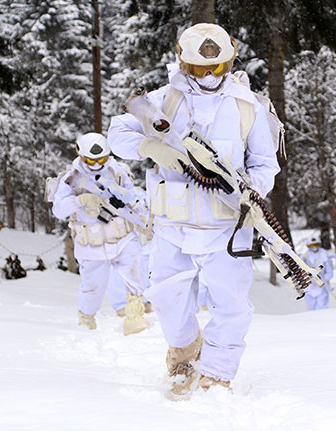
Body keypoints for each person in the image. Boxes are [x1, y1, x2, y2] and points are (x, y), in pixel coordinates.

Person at [107, 23, 280, 397]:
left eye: (216, 67)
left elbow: (265, 165)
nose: (208, 75)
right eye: (199, 68)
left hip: (227, 229)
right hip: (172, 227)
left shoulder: (245, 106)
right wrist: (149, 148)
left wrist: (253, 191)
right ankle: (184, 353)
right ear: (182, 63)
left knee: (231, 306)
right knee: (168, 305)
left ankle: (217, 373)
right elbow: (117, 133)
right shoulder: (163, 100)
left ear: (229, 61)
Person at [51, 132, 151, 335]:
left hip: (122, 237)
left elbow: (133, 199)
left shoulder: (119, 172)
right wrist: (80, 201)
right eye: (90, 160)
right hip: (91, 244)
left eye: (101, 159)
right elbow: (58, 210)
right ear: (80, 154)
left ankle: (134, 317)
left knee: (135, 272)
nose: (96, 164)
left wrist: (144, 220)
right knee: (92, 288)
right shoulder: (71, 178)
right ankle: (86, 321)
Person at [301, 237, 334, 311]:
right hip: (309, 286)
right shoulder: (305, 255)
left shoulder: (324, 254)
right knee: (310, 308)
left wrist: (324, 279)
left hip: (322, 286)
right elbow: (300, 269)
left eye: (316, 244)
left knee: (322, 307)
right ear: (308, 246)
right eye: (312, 245)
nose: (315, 247)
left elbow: (330, 272)